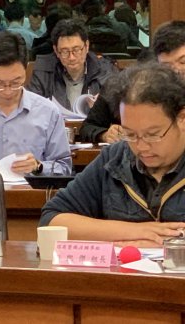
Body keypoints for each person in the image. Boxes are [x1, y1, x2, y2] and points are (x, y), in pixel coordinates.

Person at [40, 64, 185, 247]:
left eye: (152, 135)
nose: (141, 146)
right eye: (130, 134)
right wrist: (135, 232)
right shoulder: (114, 159)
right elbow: (52, 221)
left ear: (181, 119)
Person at [0, 31, 72, 175]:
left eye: (16, 82)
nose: (7, 91)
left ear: (26, 68)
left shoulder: (48, 112)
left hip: (30, 189)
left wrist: (39, 167)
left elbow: (64, 167)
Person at [79, 20, 185, 143]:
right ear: (155, 63)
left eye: (183, 62)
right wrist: (104, 134)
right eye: (166, 65)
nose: (176, 70)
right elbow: (88, 127)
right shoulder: (127, 87)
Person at [27, 19, 117, 113]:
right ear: (56, 51)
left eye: (76, 50)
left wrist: (102, 107)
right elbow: (32, 108)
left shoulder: (106, 70)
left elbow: (118, 109)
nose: (72, 57)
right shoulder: (43, 70)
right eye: (65, 51)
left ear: (86, 46)